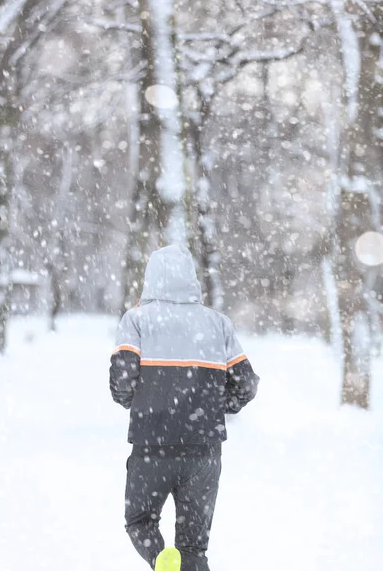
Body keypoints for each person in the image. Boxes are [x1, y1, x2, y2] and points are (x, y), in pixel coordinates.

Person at [109, 244, 259, 571]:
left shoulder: (136, 320)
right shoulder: (218, 323)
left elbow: (123, 381)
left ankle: (162, 560)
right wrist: (217, 407)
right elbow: (246, 384)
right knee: (194, 548)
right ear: (192, 279)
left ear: (151, 278)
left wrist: (136, 401)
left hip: (152, 445)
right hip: (204, 450)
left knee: (139, 520)